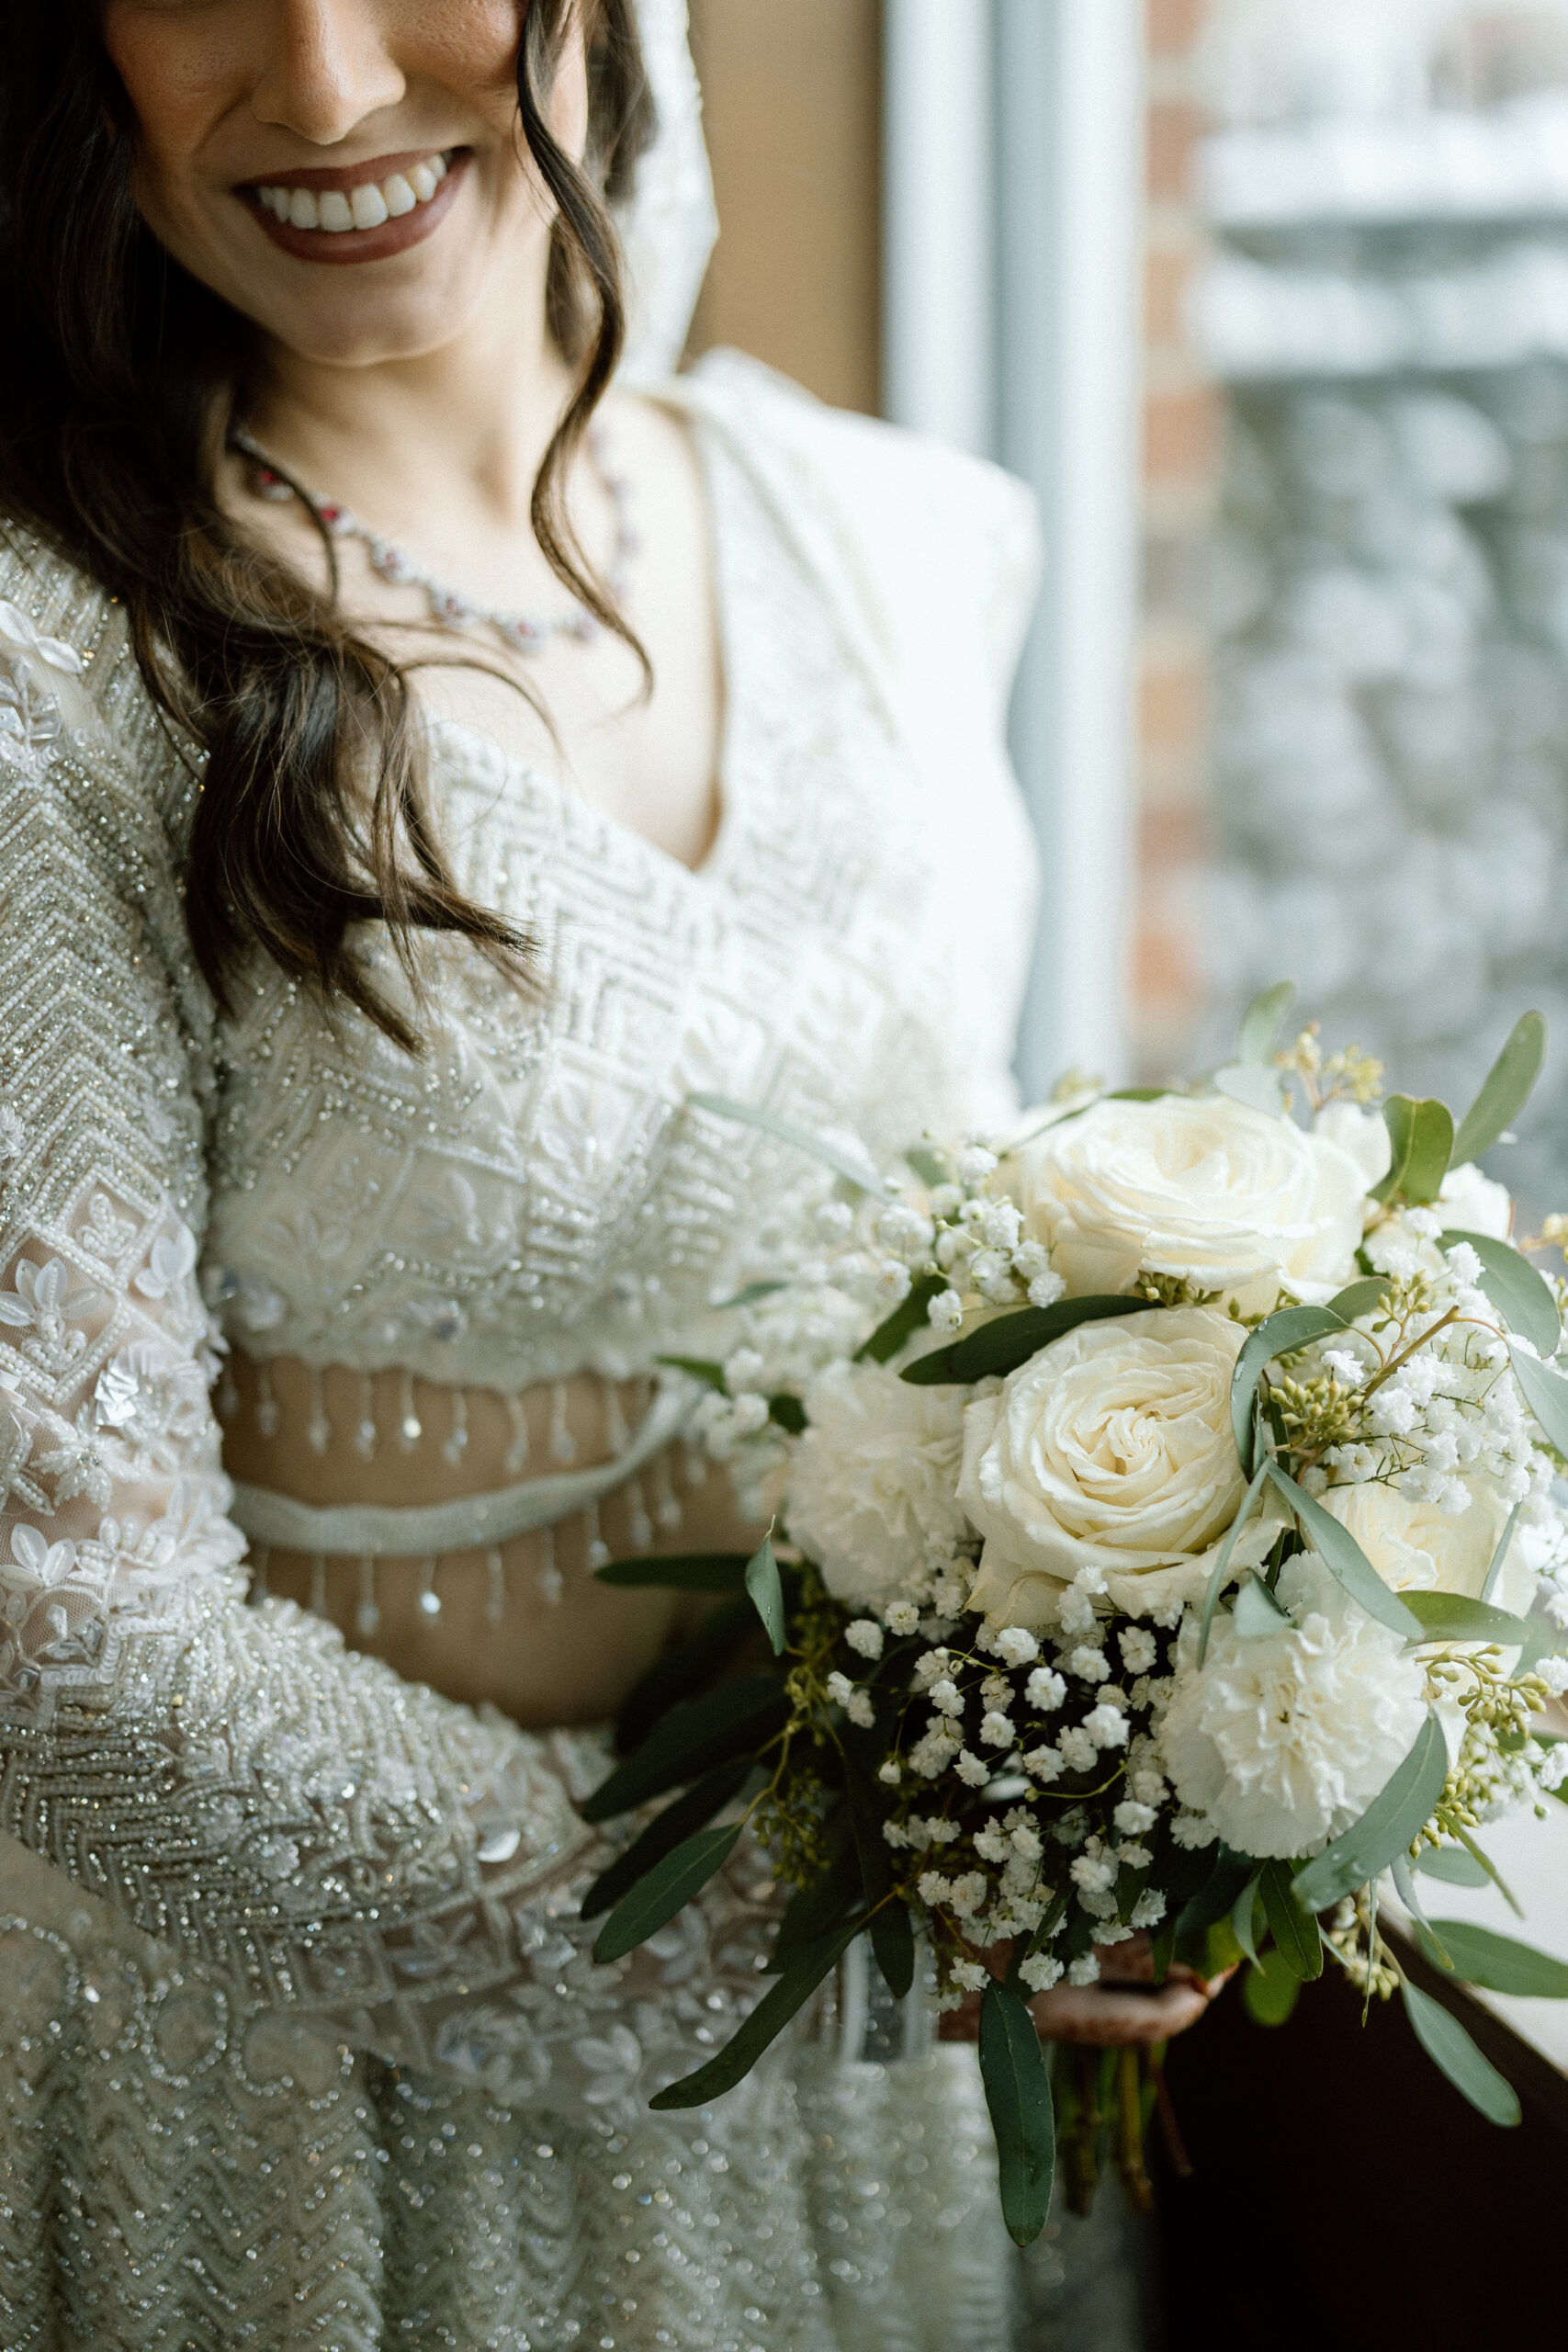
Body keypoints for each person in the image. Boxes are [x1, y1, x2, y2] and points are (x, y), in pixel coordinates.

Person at [0, 3, 1223, 2343]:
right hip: (321, 2106)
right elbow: (70, 1644)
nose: (332, 91)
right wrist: (790, 1927)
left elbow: (964, 1229)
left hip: (872, 2086)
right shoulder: (59, 674)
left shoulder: (892, 530)